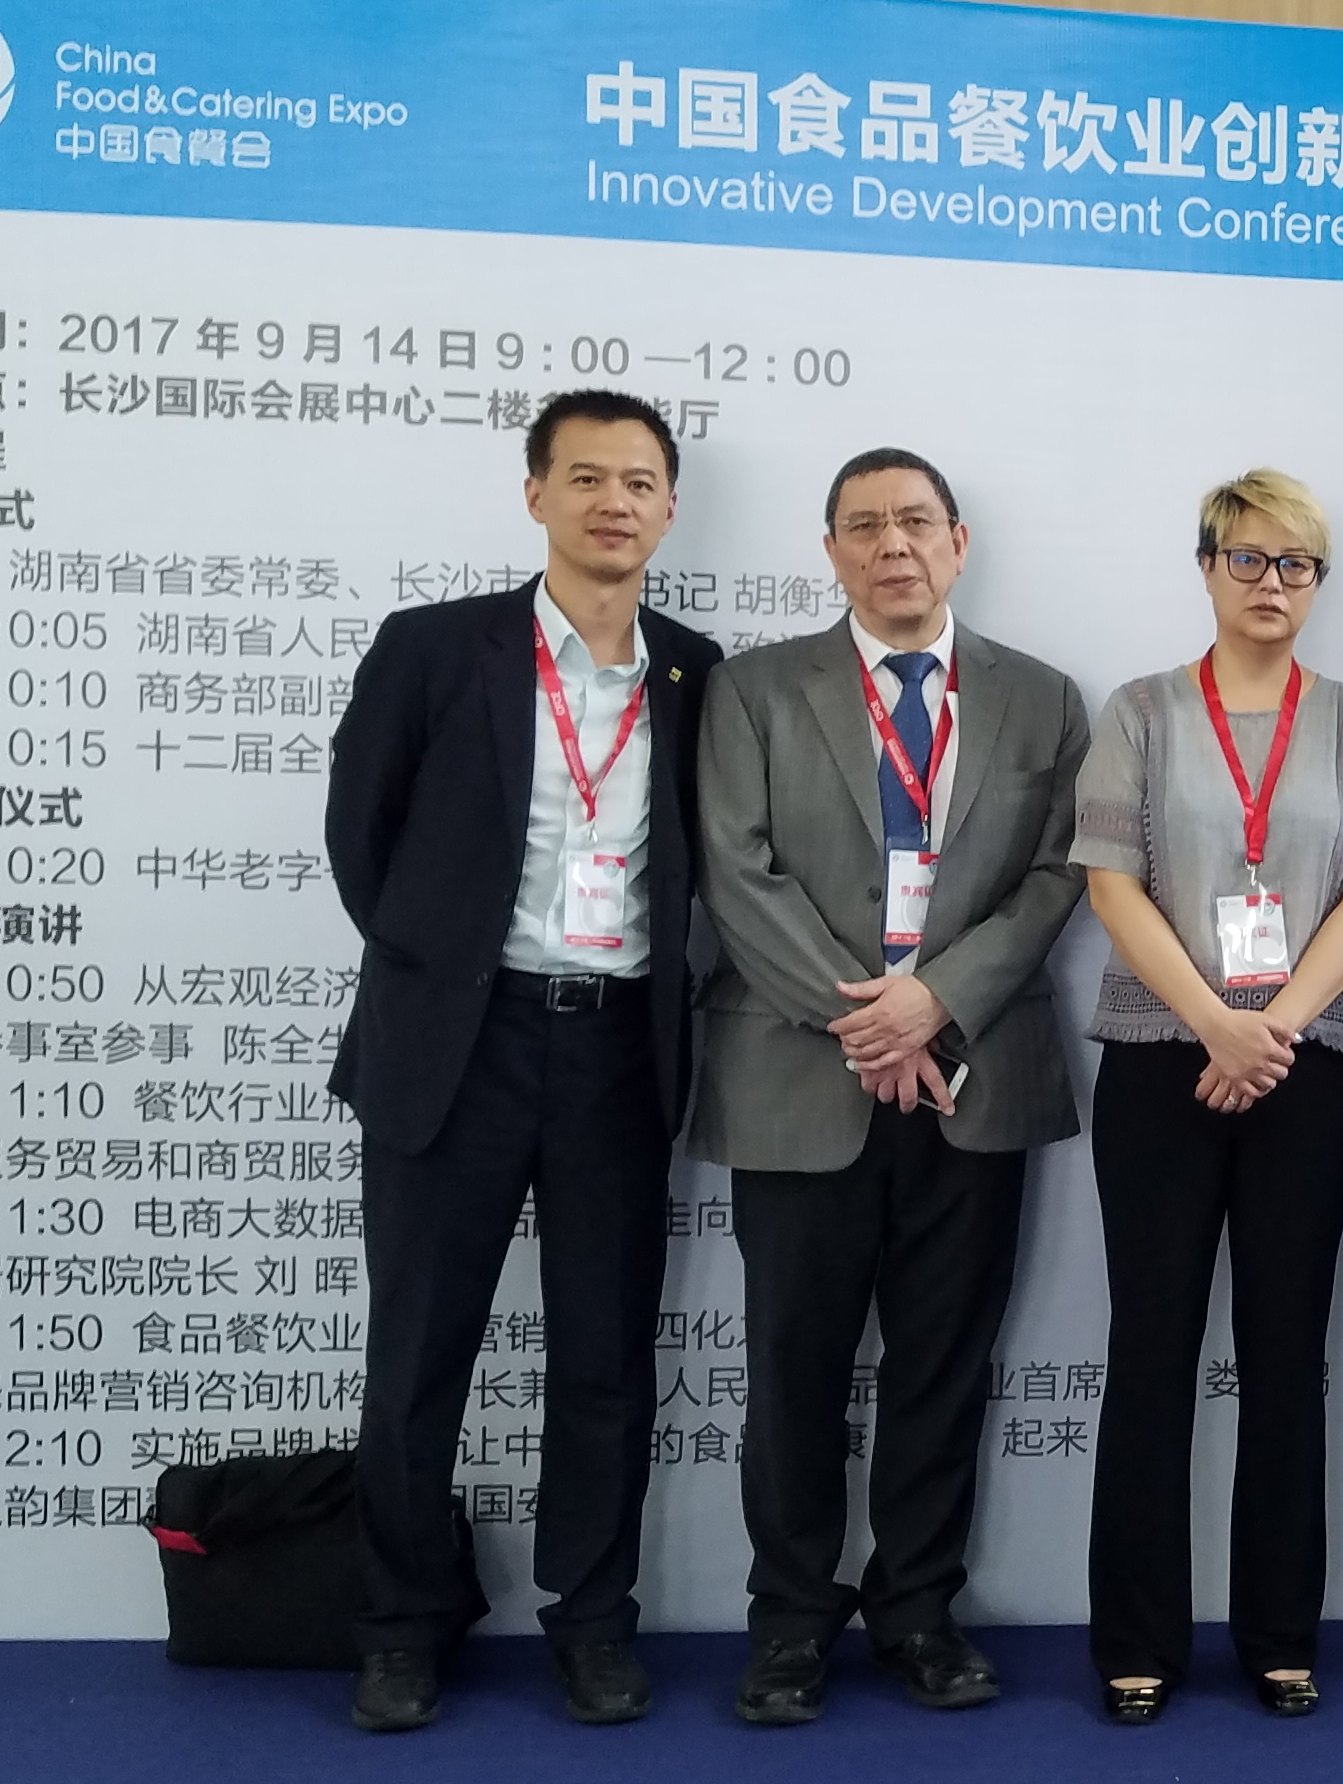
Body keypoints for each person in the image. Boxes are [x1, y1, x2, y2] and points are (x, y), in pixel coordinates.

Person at [326, 390, 722, 1734]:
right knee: (418, 1352)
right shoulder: (436, 648)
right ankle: (398, 1625)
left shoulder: (696, 671)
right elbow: (363, 838)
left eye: (641, 482)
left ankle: (592, 1622)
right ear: (536, 492)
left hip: (617, 1051)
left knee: (605, 1359)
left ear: (671, 509)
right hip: (458, 1046)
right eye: (588, 477)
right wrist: (442, 970)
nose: (616, 502)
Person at [691, 448, 1089, 1726]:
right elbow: (736, 869)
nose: (892, 545)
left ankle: (918, 1608)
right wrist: (868, 1019)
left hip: (975, 1076)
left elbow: (1058, 872)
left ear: (959, 542)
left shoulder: (1041, 696)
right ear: (832, 552)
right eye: (863, 525)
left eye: (916, 521)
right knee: (791, 1367)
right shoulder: (755, 688)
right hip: (799, 1073)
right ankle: (789, 1620)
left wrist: (938, 999)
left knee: (943, 1364)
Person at [1073, 470, 1343, 1723]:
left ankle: (1280, 1635)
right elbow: (1111, 883)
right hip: (1161, 1060)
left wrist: (1270, 1027)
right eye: (1249, 558)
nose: (1272, 583)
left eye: (1296, 564)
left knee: (1285, 1354)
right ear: (1207, 565)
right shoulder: (1142, 710)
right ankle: (1136, 1640)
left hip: (1302, 1068)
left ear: (1318, 581)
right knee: (1151, 1350)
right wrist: (1215, 1020)